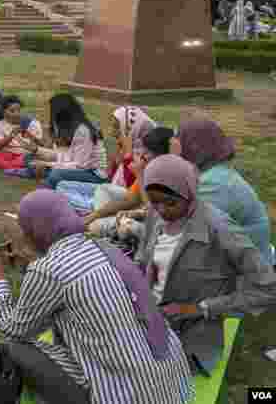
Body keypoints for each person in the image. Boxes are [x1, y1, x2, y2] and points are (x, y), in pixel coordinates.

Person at [0, 190, 193, 404]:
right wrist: (30, 267)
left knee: (10, 348)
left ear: (33, 230)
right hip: (171, 386)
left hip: (128, 395)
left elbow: (14, 329)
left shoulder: (48, 269)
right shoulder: (105, 247)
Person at [136, 155, 276, 375]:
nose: (162, 210)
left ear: (190, 193)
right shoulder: (156, 216)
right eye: (154, 202)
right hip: (152, 317)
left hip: (193, 337)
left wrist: (199, 308)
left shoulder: (219, 229)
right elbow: (143, 259)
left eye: (171, 203)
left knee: (136, 372)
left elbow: (268, 288)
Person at [176, 117, 273, 267]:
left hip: (252, 275)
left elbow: (184, 232)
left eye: (180, 144)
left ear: (194, 146)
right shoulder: (216, 173)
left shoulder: (213, 183)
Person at [83, 126, 174, 242]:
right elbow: (130, 199)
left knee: (111, 225)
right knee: (104, 190)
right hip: (140, 212)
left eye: (148, 151)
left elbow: (154, 215)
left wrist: (140, 175)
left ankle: (108, 226)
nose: (143, 155)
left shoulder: (172, 175)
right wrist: (94, 216)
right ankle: (109, 224)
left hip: (158, 230)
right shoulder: (149, 165)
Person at [24, 93, 107, 189]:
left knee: (56, 174)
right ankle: (47, 176)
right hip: (76, 167)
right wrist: (36, 150)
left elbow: (80, 166)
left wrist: (47, 165)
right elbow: (65, 157)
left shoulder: (83, 131)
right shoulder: (72, 129)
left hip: (93, 174)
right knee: (30, 158)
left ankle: (47, 182)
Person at [0, 95, 44, 171]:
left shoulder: (31, 123)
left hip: (25, 153)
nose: (16, 114)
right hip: (8, 152)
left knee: (33, 156)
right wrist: (11, 135)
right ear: (3, 111)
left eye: (19, 111)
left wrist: (29, 134)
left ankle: (1, 164)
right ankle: (14, 166)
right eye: (12, 111)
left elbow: (42, 144)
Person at [107, 106, 156, 188]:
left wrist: (128, 155)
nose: (111, 132)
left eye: (116, 127)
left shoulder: (146, 156)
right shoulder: (129, 148)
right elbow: (111, 179)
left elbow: (129, 186)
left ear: (132, 129)